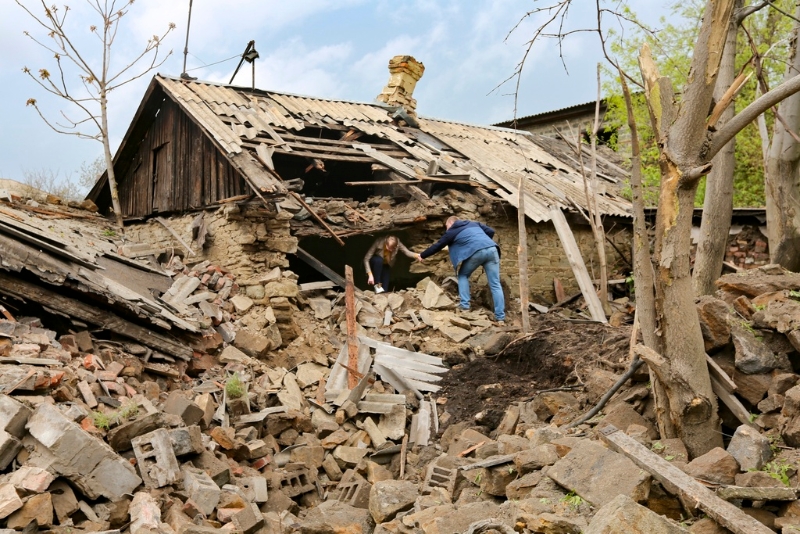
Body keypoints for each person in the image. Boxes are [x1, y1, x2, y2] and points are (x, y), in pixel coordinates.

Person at [416, 216, 505, 323]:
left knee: (463, 275)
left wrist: (423, 255)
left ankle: (465, 305)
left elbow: (438, 245)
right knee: (495, 284)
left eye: (446, 227)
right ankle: (500, 317)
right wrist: (483, 242)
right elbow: (491, 231)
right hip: (492, 249)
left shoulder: (452, 231)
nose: (446, 229)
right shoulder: (474, 223)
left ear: (450, 224)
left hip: (477, 252)